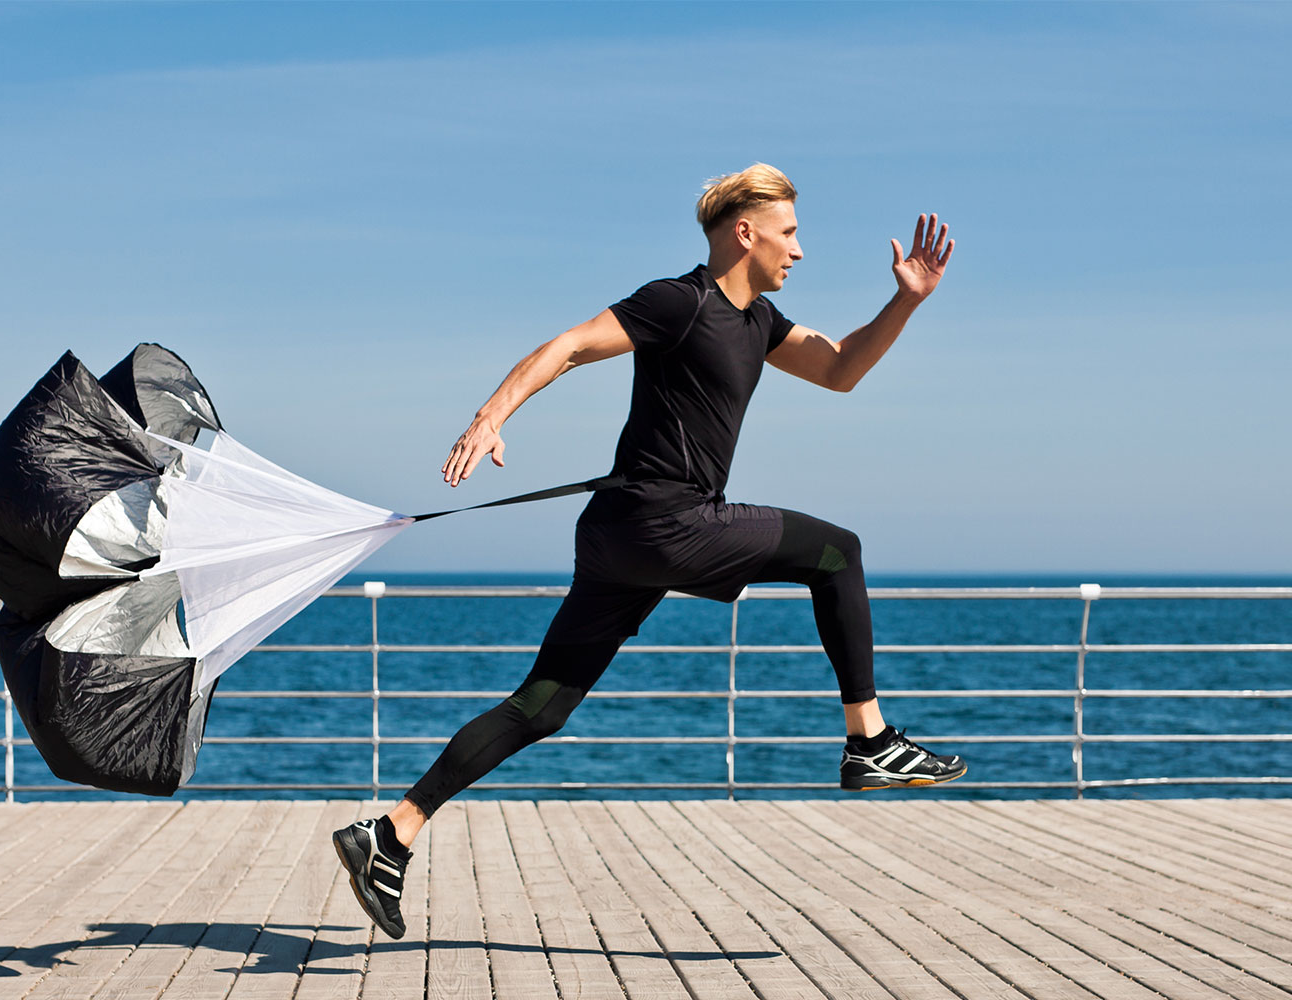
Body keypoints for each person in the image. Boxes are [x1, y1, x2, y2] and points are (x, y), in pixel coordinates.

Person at [334, 164, 960, 938]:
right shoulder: (680, 301)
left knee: (541, 706)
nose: (799, 250)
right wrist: (490, 416)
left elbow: (839, 369)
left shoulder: (758, 321)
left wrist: (905, 300)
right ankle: (869, 739)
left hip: (616, 538)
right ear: (746, 233)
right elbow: (568, 346)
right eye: (790, 233)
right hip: (668, 524)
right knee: (838, 551)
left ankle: (391, 835)